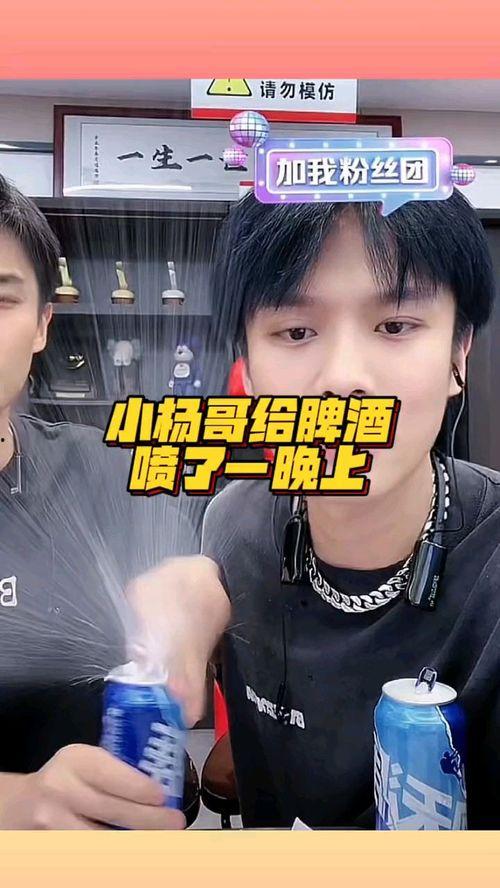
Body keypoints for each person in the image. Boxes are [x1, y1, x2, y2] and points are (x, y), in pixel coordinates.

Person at [166, 189, 500, 830]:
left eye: (395, 326)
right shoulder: (234, 524)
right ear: (248, 372)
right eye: (296, 332)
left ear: (460, 352)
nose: (344, 380)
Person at [0, 175, 228, 829]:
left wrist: (200, 597)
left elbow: (194, 574)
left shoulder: (102, 470)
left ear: (42, 324)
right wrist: (15, 805)